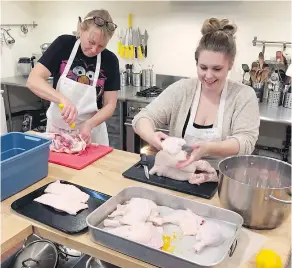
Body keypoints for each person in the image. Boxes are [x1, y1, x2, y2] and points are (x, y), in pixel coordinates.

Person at [132, 18, 260, 169]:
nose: (209, 75)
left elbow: (246, 141)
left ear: (230, 64)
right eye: (203, 67)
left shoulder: (243, 96)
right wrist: (152, 137)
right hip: (180, 174)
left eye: (217, 69)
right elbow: (142, 118)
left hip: (222, 180)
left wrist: (209, 148)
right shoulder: (182, 90)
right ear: (196, 62)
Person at [27, 9, 120, 145]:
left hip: (90, 134)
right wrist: (62, 99)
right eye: (91, 42)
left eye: (101, 46)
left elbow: (110, 105)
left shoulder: (110, 60)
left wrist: (89, 124)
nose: (94, 50)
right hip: (57, 132)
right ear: (81, 30)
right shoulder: (63, 44)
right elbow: (33, 80)